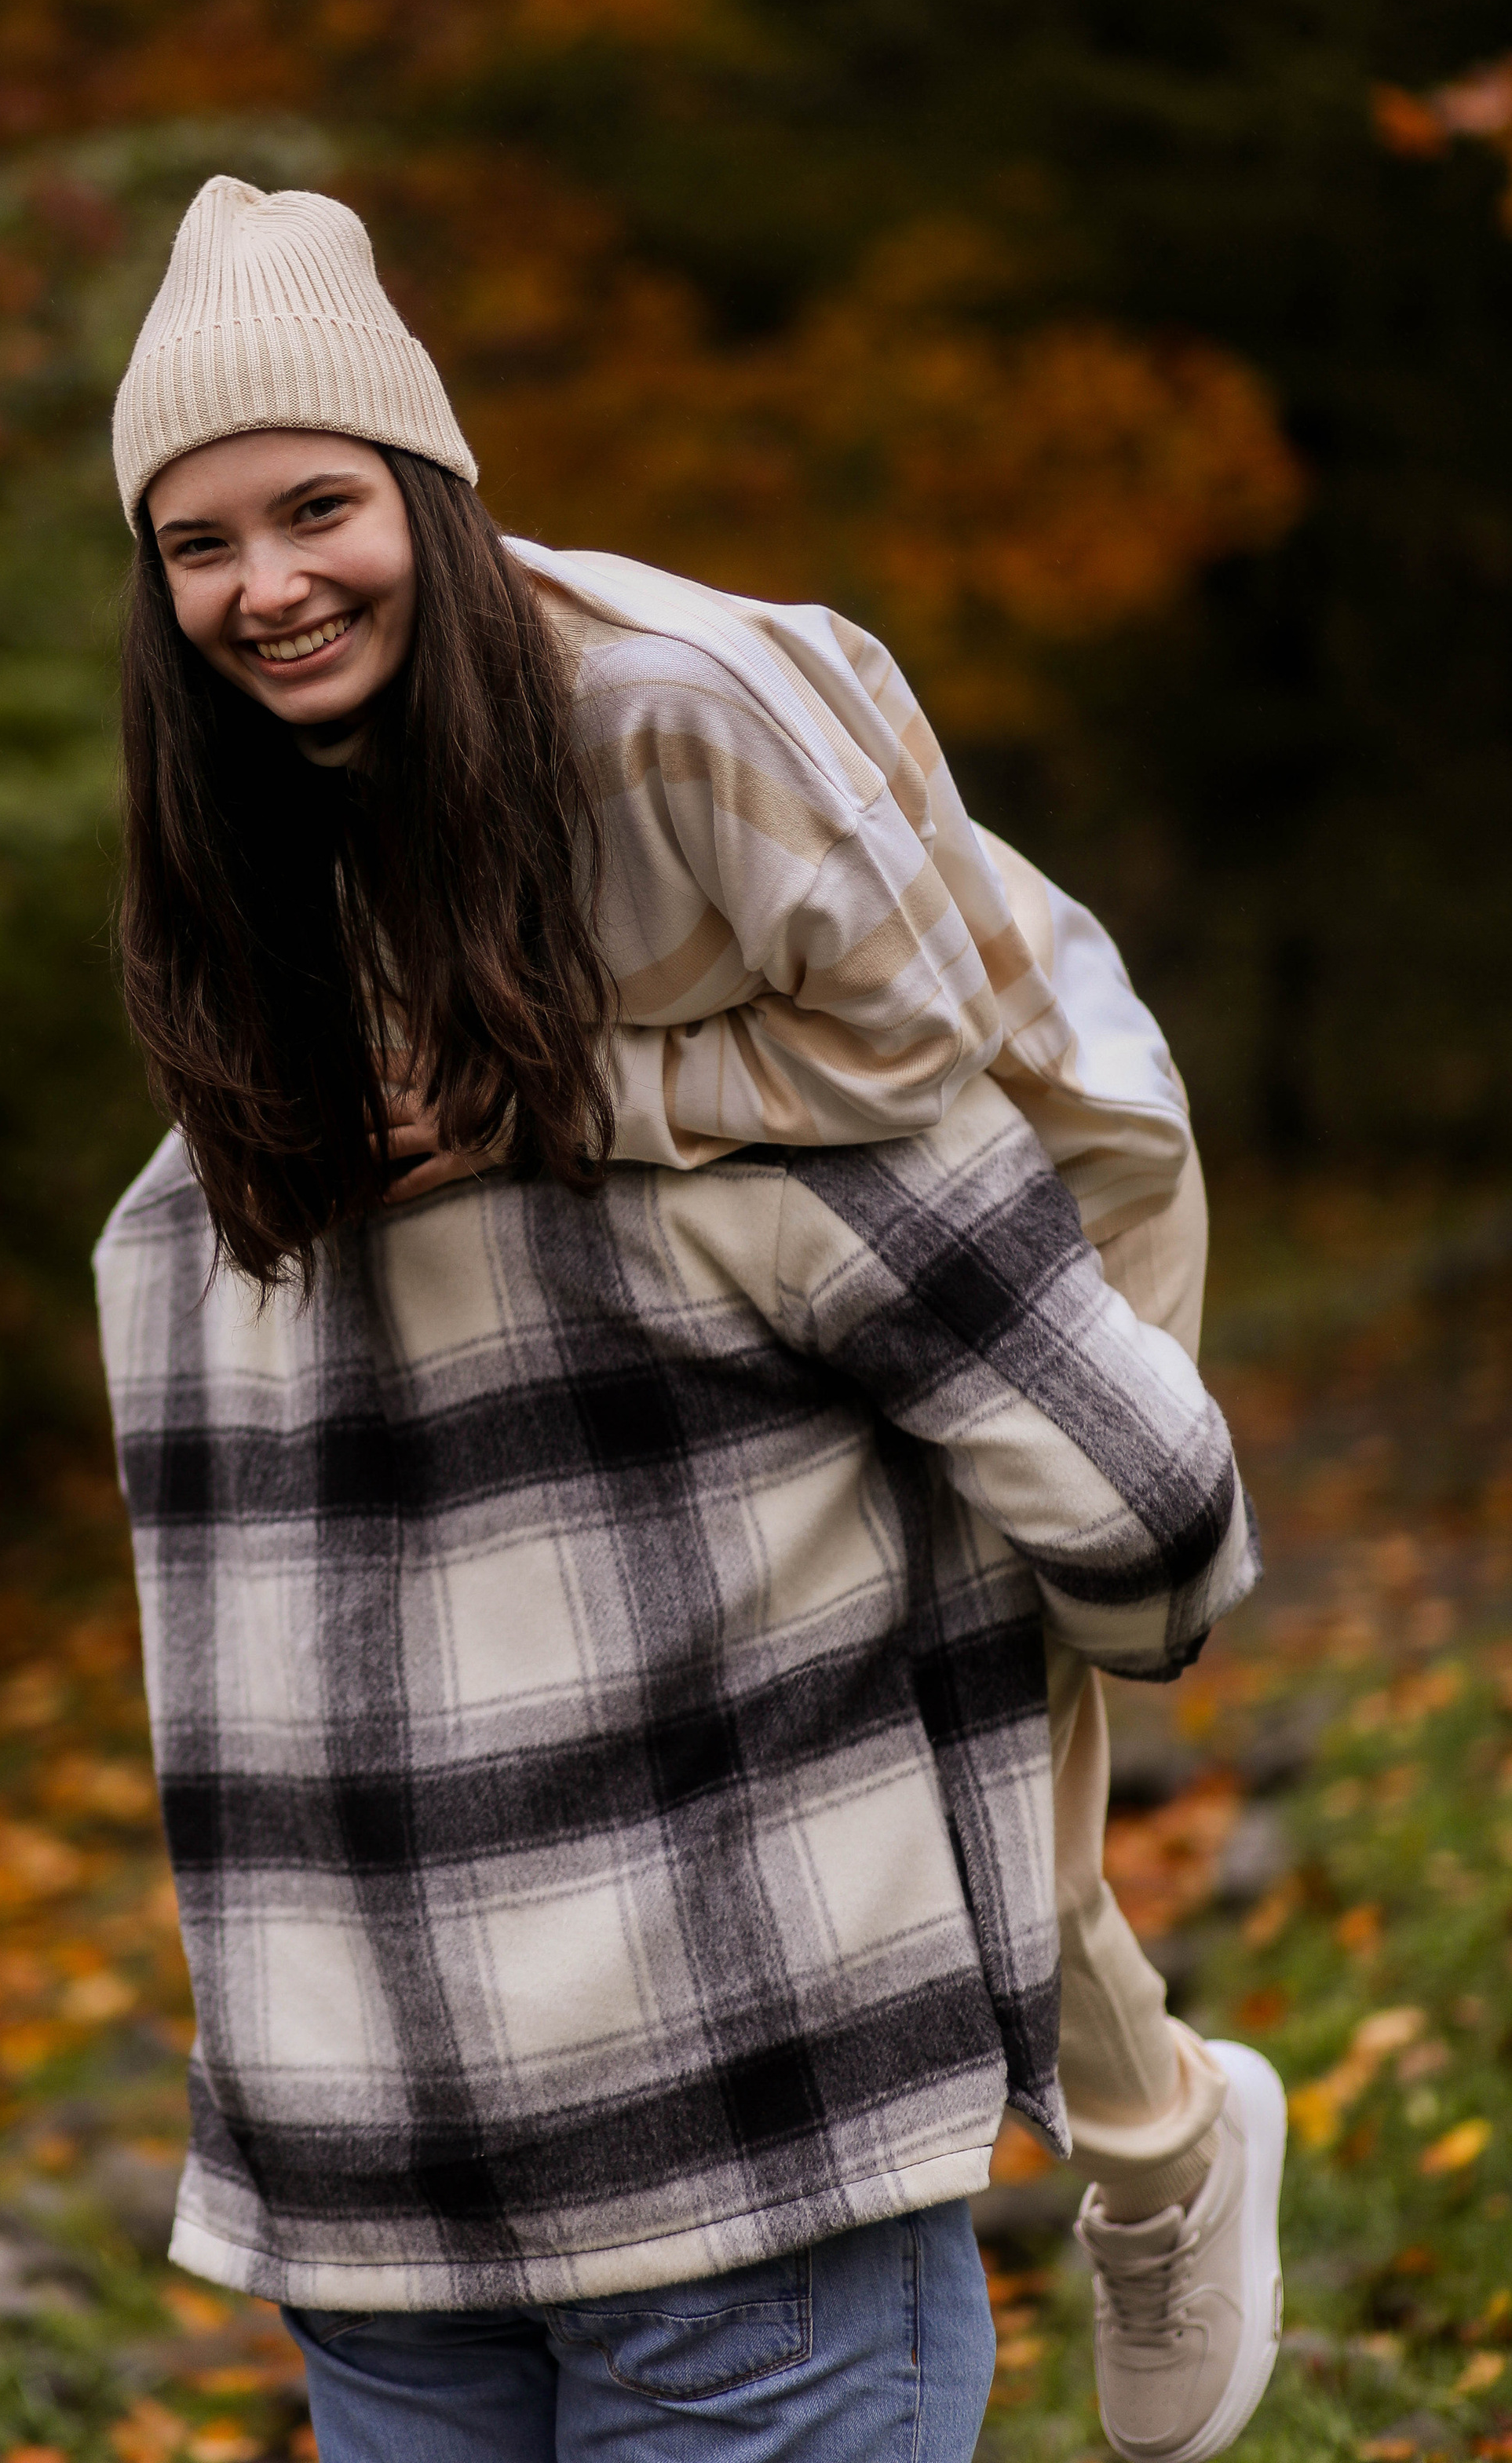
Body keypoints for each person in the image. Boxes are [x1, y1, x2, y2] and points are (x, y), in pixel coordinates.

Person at [99, 177, 1287, 2463]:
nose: (263, 585)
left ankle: (1160, 2151)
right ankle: (1144, 2123)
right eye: (199, 543)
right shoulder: (280, 846)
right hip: (715, 1152)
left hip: (1044, 1133)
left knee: (1023, 1739)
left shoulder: (677, 708)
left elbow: (921, 1059)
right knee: (967, 1746)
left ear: (433, 500)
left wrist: (583, 1107)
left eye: (318, 506)